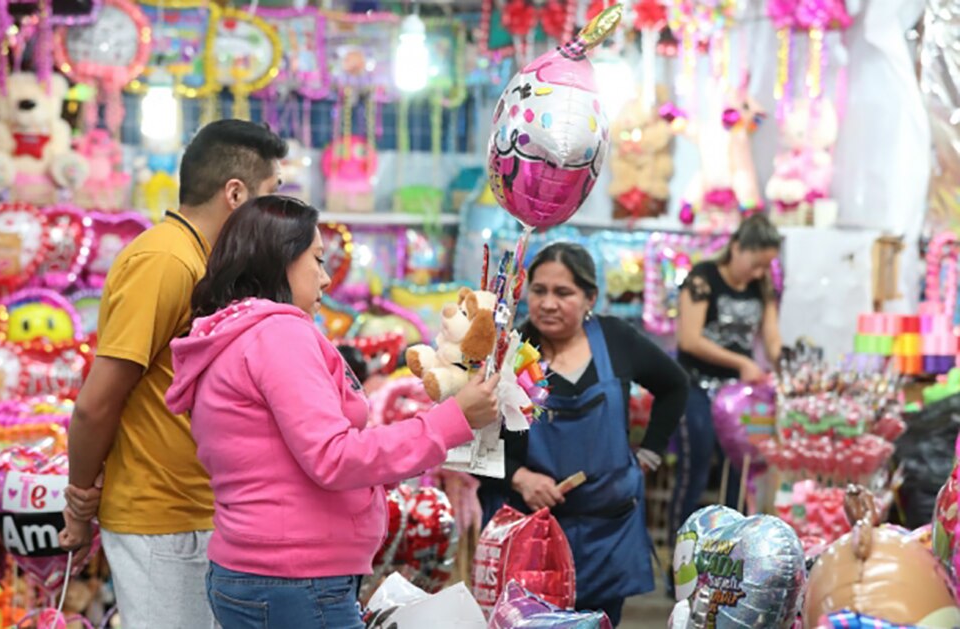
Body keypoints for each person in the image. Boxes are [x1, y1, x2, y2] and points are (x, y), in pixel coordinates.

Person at [164, 195, 501, 629]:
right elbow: (333, 456)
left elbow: (284, 457)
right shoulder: (279, 334)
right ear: (280, 258)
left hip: (263, 572)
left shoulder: (235, 334)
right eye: (318, 260)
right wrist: (452, 421)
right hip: (296, 579)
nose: (325, 278)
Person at [58, 120, 288, 629]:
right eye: (272, 193)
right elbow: (97, 403)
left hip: (201, 513)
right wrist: (79, 499)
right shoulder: (164, 260)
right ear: (235, 194)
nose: (275, 212)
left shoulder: (205, 262)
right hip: (163, 518)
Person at [478, 242, 689, 625]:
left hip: (609, 532)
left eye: (563, 292)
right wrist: (520, 478)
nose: (548, 303)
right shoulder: (510, 352)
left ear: (590, 297)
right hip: (535, 539)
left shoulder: (615, 339)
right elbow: (474, 444)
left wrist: (650, 453)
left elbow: (675, 385)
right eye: (539, 290)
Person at [668, 213, 782, 561]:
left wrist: (783, 365)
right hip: (696, 387)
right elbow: (689, 339)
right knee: (696, 467)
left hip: (739, 398)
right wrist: (741, 363)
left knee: (740, 470)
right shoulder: (703, 278)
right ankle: (681, 559)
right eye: (756, 263)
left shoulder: (763, 287)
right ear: (736, 247)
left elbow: (772, 340)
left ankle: (729, 560)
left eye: (766, 266)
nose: (760, 273)